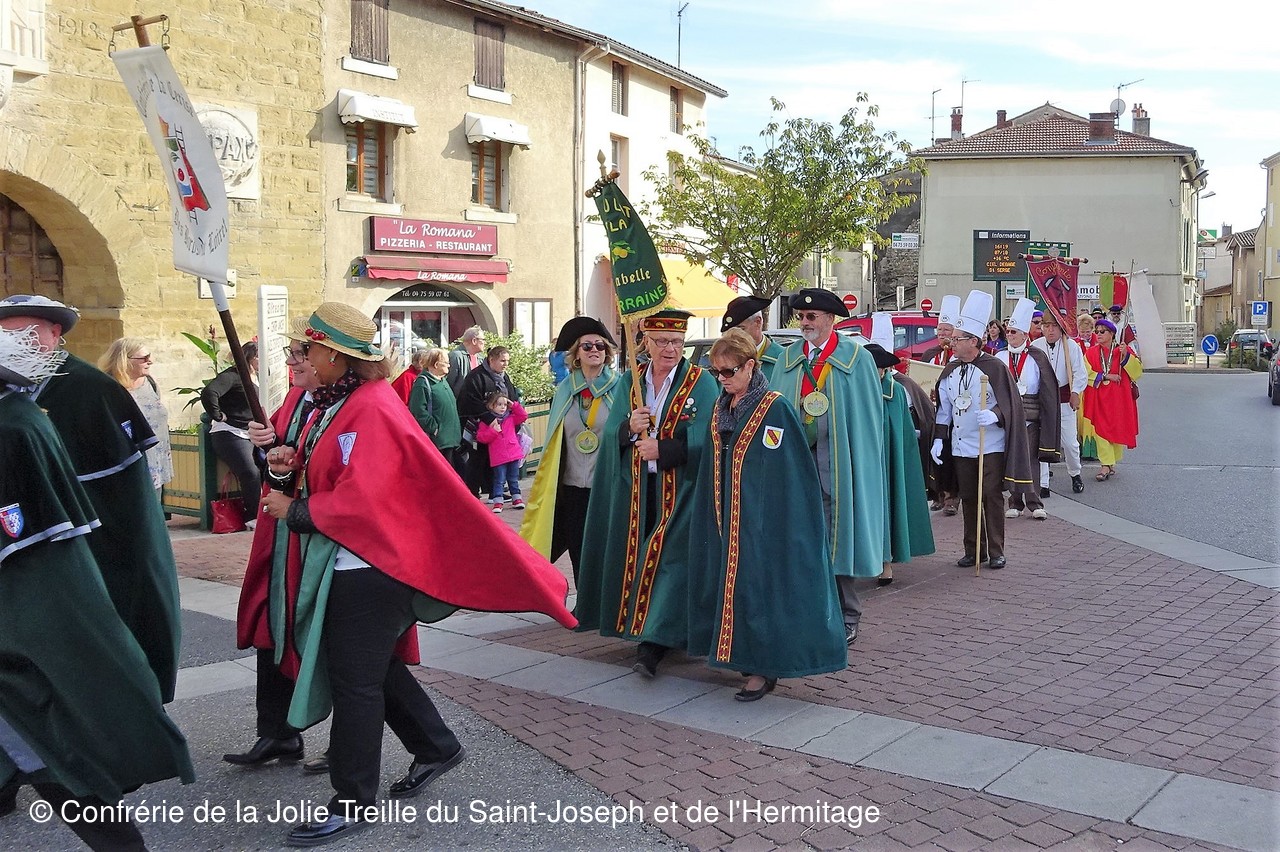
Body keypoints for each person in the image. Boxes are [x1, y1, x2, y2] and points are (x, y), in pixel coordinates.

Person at [257, 302, 575, 846]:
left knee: (355, 681)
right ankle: (436, 745)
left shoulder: (370, 406)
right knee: (371, 668)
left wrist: (300, 511)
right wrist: (287, 469)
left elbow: (367, 499)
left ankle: (353, 800)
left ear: (335, 355)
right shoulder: (342, 402)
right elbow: (336, 475)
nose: (300, 357)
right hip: (355, 560)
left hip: (371, 565)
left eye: (308, 349)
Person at [0, 325, 194, 850]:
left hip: (21, 627)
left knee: (48, 753)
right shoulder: (18, 418)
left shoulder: (14, 428)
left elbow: (38, 560)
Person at [0, 294, 181, 703]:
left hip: (101, 538)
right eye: (6, 334)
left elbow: (124, 493)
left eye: (26, 333)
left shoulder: (90, 388)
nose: (15, 343)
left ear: (55, 333)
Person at [686, 328, 847, 701]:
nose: (722, 379)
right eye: (716, 372)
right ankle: (741, 657)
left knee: (761, 590)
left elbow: (791, 472)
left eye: (729, 371)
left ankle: (763, 668)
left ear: (750, 366)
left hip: (763, 522)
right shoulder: (720, 408)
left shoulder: (775, 408)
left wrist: (778, 520)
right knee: (734, 588)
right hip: (726, 517)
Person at [576, 309, 719, 678]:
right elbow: (612, 435)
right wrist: (628, 426)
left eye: (677, 342)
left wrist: (664, 448)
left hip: (682, 490)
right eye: (662, 341)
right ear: (646, 342)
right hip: (637, 491)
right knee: (637, 556)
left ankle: (653, 642)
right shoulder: (632, 381)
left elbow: (710, 438)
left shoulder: (701, 382)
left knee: (668, 561)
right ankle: (640, 626)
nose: (670, 349)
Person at [226, 324, 325, 772]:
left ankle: (352, 742)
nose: (291, 362)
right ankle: (278, 732)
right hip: (283, 533)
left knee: (336, 640)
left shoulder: (356, 403)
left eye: (300, 354)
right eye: (291, 353)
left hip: (323, 538)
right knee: (272, 625)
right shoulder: (296, 399)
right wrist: (268, 448)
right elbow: (279, 470)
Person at [769, 288, 889, 645]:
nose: (805, 323)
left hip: (839, 467)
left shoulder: (855, 359)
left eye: (812, 317)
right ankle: (807, 612)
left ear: (830, 319)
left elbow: (867, 420)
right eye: (801, 317)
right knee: (801, 541)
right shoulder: (789, 358)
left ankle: (848, 614)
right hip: (797, 468)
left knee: (840, 539)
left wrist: (856, 461)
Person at [931, 290, 1034, 571]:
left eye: (957, 339)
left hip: (990, 445)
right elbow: (944, 409)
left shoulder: (994, 368)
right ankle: (973, 549)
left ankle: (996, 550)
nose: (952, 343)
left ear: (973, 341)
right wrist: (939, 438)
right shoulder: (951, 370)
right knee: (968, 496)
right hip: (961, 445)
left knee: (990, 495)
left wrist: (995, 414)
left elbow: (1011, 403)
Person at [520, 317, 619, 585]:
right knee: (577, 548)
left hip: (605, 485)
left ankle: (603, 600)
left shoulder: (620, 388)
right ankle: (584, 598)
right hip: (572, 485)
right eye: (587, 346)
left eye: (600, 345)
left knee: (604, 549)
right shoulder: (565, 390)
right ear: (576, 354)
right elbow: (555, 439)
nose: (594, 350)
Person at [865, 342, 935, 587]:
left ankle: (886, 563)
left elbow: (900, 432)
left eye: (875, 368)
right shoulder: (856, 390)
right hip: (861, 460)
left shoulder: (895, 393)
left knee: (886, 507)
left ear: (884, 370)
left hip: (885, 461)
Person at [996, 299, 1060, 521]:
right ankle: (1015, 502)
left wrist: (1045, 415)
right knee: (1011, 458)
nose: (1009, 335)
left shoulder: (1037, 357)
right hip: (1007, 416)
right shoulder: (999, 357)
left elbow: (1047, 389)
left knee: (1031, 459)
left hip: (1031, 415)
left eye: (1013, 332)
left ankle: (1035, 502)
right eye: (1008, 331)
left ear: (1024, 334)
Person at [99, 337, 173, 500]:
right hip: (126, 466)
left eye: (149, 356)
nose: (150, 361)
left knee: (154, 508)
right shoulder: (108, 387)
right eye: (144, 358)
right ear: (124, 360)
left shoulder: (150, 383)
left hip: (156, 464)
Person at [201, 340, 262, 530]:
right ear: (250, 358)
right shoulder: (233, 376)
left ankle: (267, 512)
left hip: (250, 431)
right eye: (259, 357)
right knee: (250, 472)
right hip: (229, 432)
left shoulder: (258, 377)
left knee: (269, 467)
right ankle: (253, 517)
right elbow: (209, 392)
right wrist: (218, 415)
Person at [1032, 312, 1089, 495]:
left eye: (1054, 326)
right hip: (1043, 401)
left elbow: (1080, 373)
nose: (1050, 330)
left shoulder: (1071, 346)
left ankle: (1075, 473)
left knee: (1070, 443)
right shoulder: (1035, 346)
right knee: (1042, 442)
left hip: (1064, 400)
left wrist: (1075, 392)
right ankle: (1043, 483)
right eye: (1047, 326)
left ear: (1061, 328)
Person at [456, 346, 523, 497]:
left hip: (502, 426)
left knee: (495, 460)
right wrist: (489, 418)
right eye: (502, 361)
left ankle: (494, 491)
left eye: (507, 361)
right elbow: (469, 401)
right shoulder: (476, 376)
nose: (506, 364)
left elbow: (511, 396)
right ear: (491, 360)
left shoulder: (504, 376)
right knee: (477, 459)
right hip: (481, 426)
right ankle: (472, 493)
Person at [1083, 318, 1142, 481]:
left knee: (1116, 428)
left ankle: (1110, 462)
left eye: (1102, 331)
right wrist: (1106, 376)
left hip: (1119, 398)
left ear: (1112, 334)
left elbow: (1137, 372)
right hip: (1099, 397)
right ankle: (1105, 465)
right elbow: (1084, 372)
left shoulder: (1122, 350)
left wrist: (1126, 356)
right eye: (1096, 332)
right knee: (1101, 429)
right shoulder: (1091, 352)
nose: (1098, 334)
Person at [919, 294, 960, 514]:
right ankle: (937, 493)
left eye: (947, 330)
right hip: (931, 411)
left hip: (953, 414)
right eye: (940, 329)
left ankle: (952, 496)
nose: (943, 333)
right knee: (933, 454)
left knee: (951, 454)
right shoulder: (929, 354)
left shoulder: (959, 357)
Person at [407, 347, 461, 464]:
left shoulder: (442, 381)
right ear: (436, 364)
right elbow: (417, 411)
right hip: (439, 442)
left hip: (451, 440)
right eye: (446, 363)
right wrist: (434, 429)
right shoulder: (422, 383)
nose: (449, 366)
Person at [477, 391, 529, 513]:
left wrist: (514, 405)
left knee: (513, 478)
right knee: (499, 480)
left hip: (513, 454)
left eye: (505, 405)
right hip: (498, 456)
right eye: (499, 404)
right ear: (491, 406)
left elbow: (523, 416)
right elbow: (481, 437)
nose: (503, 407)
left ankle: (517, 498)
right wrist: (493, 431)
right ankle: (498, 501)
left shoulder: (510, 418)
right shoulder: (487, 422)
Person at [720, 295, 783, 379]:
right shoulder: (723, 360)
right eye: (731, 331)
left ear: (758, 322)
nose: (735, 336)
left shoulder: (783, 359)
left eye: (741, 329)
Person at [446, 325, 486, 393]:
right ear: (474, 341)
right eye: (483, 340)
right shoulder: (456, 356)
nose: (485, 343)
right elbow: (449, 384)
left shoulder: (481, 358)